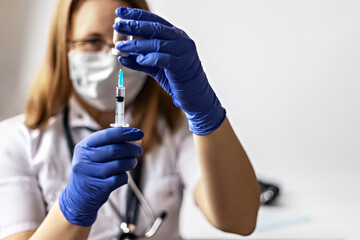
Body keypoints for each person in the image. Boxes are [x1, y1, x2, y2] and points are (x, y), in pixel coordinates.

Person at [0, 0, 260, 239]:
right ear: (63, 47)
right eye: (92, 41)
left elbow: (240, 220)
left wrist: (205, 114)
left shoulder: (174, 126)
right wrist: (72, 207)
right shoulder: (17, 141)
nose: (113, 55)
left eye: (123, 40)